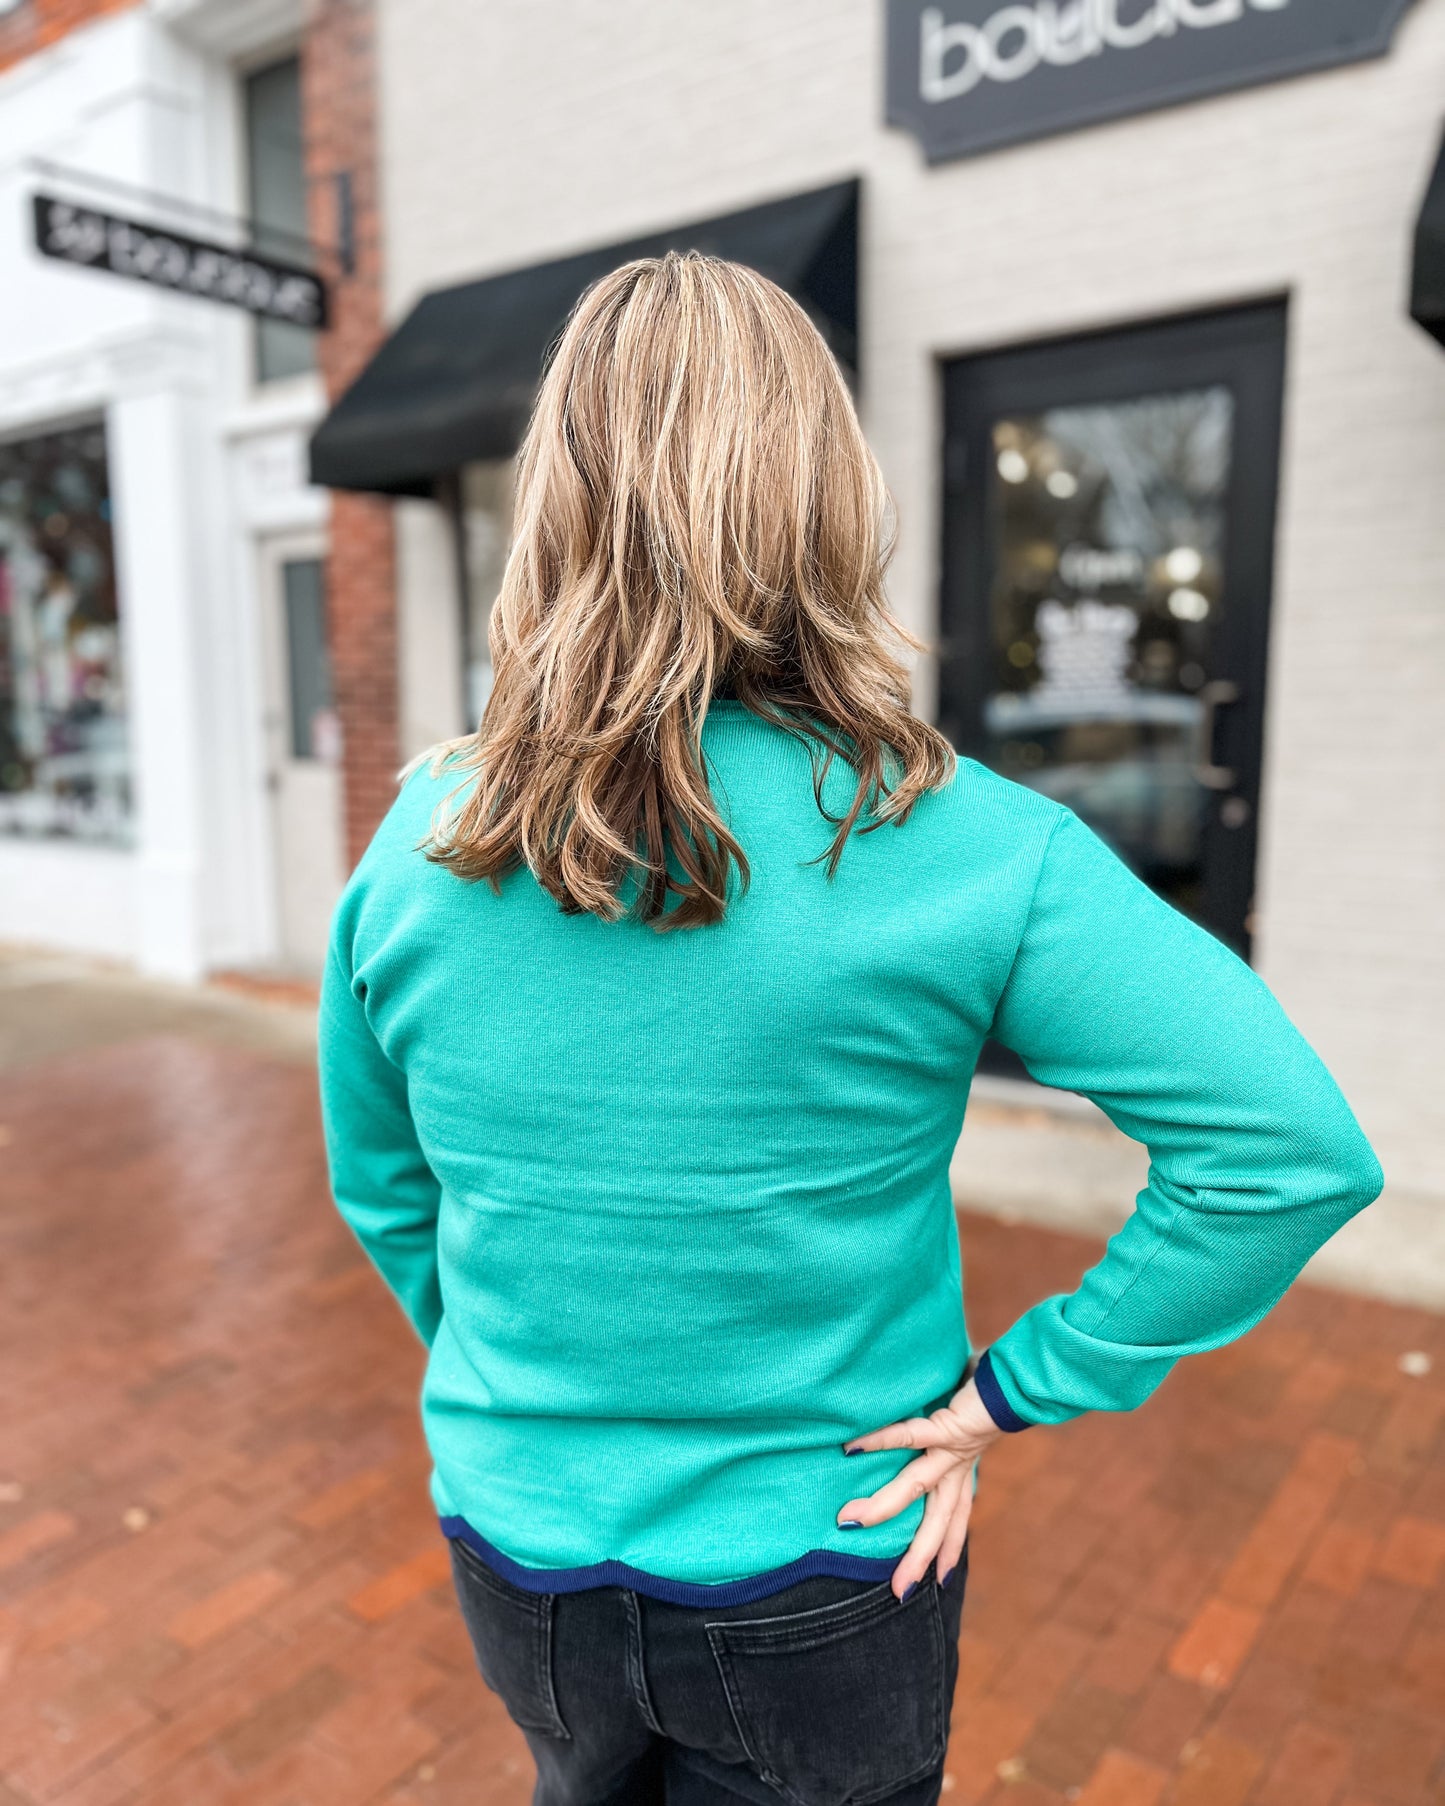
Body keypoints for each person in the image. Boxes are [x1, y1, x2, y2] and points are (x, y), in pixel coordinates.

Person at [318, 252, 1383, 1806]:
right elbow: (1285, 1151)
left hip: (514, 1543)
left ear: (554, 503)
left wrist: (523, 1379)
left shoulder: (422, 837)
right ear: (820, 498)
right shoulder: (963, 844)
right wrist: (1010, 1390)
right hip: (824, 1572)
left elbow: (386, 1188)